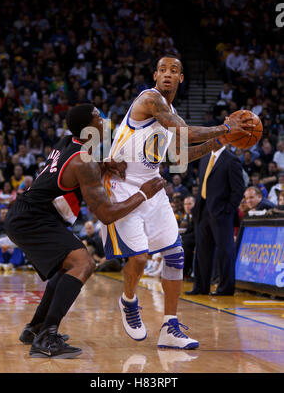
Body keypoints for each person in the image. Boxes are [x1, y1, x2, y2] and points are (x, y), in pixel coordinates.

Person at [100, 54, 252, 349]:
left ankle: (170, 327)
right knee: (139, 257)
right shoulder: (150, 99)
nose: (168, 75)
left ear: (181, 78)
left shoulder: (170, 111)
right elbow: (183, 131)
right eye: (162, 70)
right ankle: (128, 300)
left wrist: (219, 142)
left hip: (153, 186)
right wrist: (224, 128)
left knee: (175, 255)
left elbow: (180, 155)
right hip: (122, 186)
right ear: (155, 76)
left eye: (174, 71)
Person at [5, 104, 164, 359]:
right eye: (99, 117)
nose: (104, 120)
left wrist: (104, 164)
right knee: (84, 264)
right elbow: (106, 213)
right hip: (33, 219)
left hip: (29, 213)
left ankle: (35, 329)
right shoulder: (84, 160)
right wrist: (143, 193)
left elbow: (75, 169)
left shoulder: (69, 141)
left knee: (67, 266)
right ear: (91, 127)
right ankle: (47, 337)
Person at [186, 145, 245, 296]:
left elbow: (238, 189)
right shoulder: (205, 158)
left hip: (221, 212)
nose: (210, 140)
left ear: (222, 138)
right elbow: (202, 185)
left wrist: (228, 209)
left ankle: (225, 288)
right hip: (203, 209)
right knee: (202, 250)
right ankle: (201, 287)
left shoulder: (232, 160)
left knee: (225, 251)